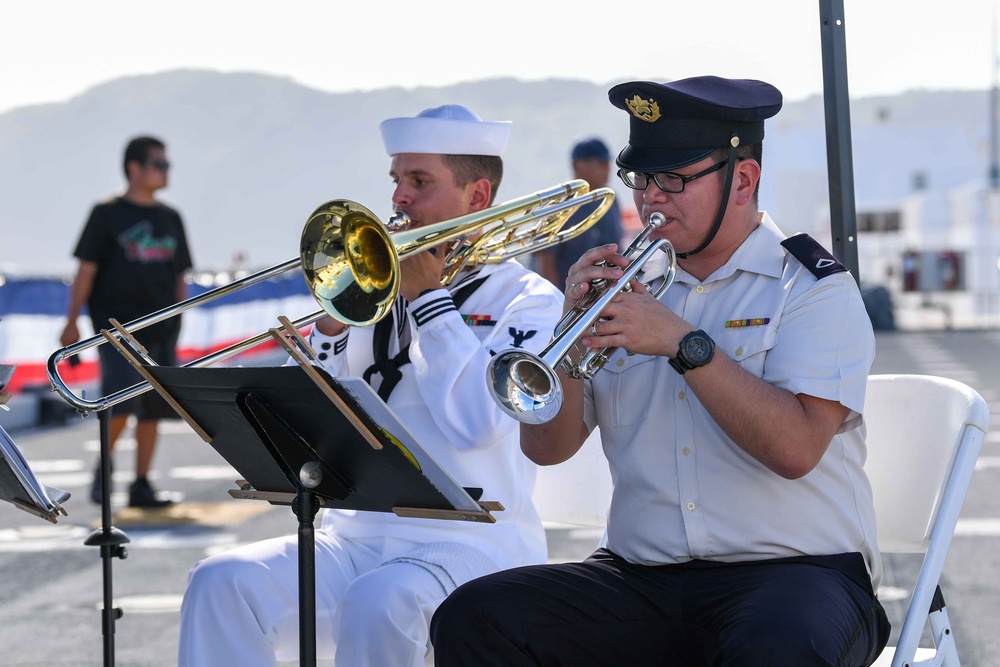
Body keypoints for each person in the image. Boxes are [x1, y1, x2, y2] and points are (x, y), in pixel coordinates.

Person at [431, 76, 891, 666]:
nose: (650, 199)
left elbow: (796, 448)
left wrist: (683, 344)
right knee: (476, 617)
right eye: (642, 179)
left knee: (775, 649)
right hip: (641, 577)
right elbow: (547, 448)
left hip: (795, 572)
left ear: (743, 179)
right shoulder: (627, 288)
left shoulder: (810, 290)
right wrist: (567, 339)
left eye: (673, 179)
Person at [177, 104, 564, 667]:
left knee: (381, 600)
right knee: (221, 583)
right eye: (397, 181)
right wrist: (330, 328)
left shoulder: (529, 301)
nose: (398, 199)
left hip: (473, 544)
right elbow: (297, 425)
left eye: (419, 181)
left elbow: (478, 424)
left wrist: (428, 300)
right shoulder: (373, 291)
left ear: (478, 197)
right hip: (354, 536)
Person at [60, 135, 191, 508]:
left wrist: (178, 316)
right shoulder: (106, 213)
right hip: (115, 329)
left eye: (167, 164)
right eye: (159, 164)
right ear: (135, 168)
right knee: (121, 402)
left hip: (162, 328)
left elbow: (180, 272)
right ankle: (106, 463)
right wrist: (71, 323)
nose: (166, 171)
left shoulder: (171, 217)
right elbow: (85, 270)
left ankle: (142, 483)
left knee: (152, 408)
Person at [534, 138, 623, 287]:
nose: (608, 168)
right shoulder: (557, 205)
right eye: (601, 163)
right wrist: (557, 304)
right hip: (568, 298)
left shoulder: (610, 200)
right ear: (579, 165)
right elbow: (545, 259)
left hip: (606, 296)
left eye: (607, 163)